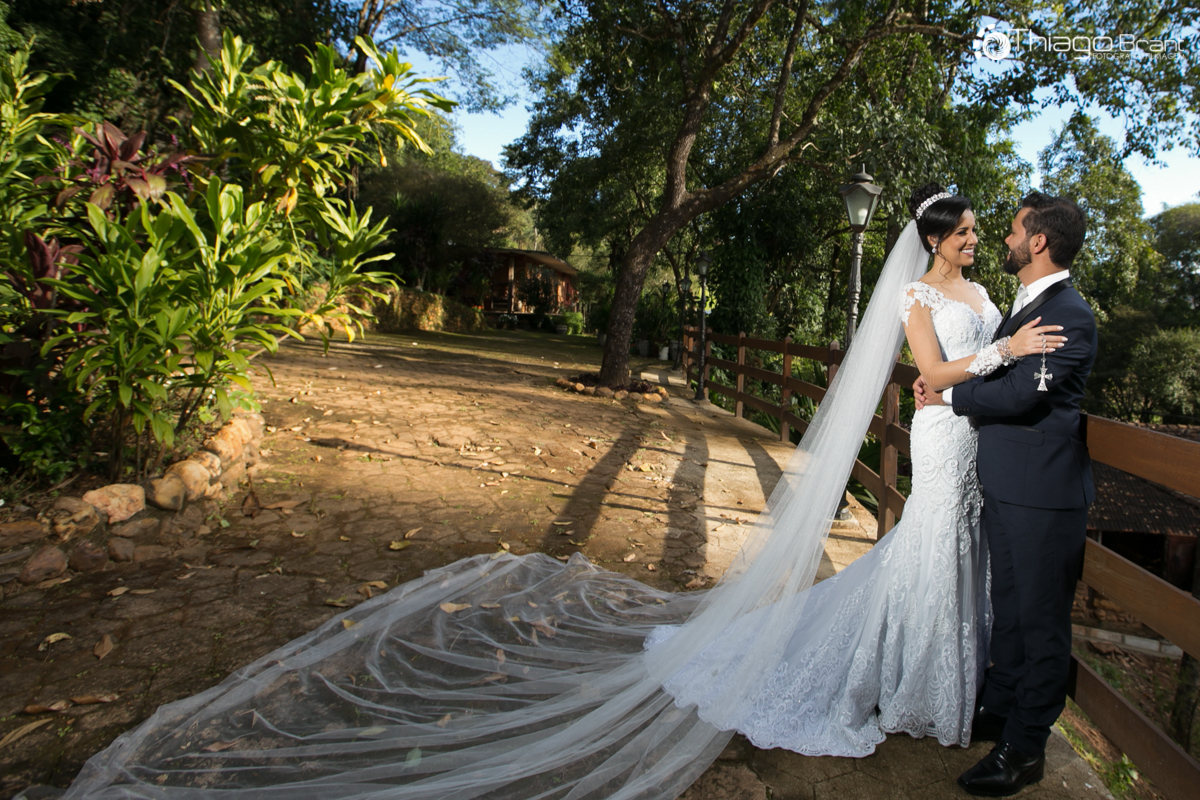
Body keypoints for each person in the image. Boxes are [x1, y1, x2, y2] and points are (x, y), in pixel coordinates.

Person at [39, 186, 1063, 800]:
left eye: (982, 233)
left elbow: (1006, 350)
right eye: (968, 231)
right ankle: (895, 681)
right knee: (922, 554)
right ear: (935, 241)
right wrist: (1004, 353)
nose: (978, 239)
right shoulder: (929, 297)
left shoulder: (987, 293)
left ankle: (930, 681)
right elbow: (927, 378)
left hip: (976, 449)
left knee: (936, 562)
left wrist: (1013, 337)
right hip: (943, 433)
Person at [916, 191, 1095, 797]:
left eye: (1017, 230)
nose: (1006, 238)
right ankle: (1000, 708)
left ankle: (1025, 750)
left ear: (1038, 241)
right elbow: (1001, 367)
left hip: (1045, 495)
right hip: (1008, 487)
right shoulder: (1024, 306)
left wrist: (946, 396)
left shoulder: (1069, 313)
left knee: (1042, 624)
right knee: (1011, 613)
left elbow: (1023, 395)